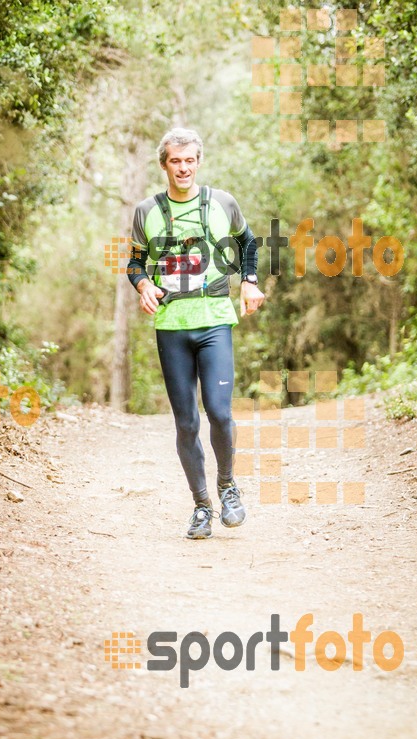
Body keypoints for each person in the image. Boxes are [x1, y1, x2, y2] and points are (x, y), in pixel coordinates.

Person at [127, 127, 264, 539]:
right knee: (186, 422)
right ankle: (202, 505)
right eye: (175, 161)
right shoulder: (145, 211)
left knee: (220, 412)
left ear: (198, 162)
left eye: (189, 161)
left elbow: (249, 243)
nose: (183, 168)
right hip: (171, 326)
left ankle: (228, 488)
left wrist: (250, 280)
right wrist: (143, 285)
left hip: (216, 319)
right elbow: (135, 263)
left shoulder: (223, 202)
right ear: (164, 164)